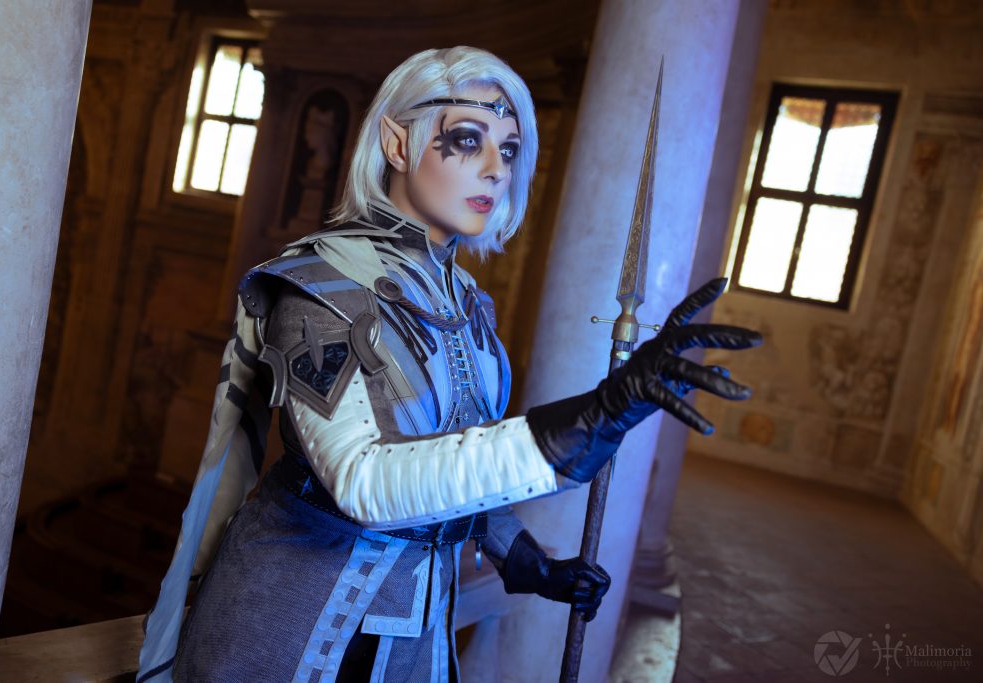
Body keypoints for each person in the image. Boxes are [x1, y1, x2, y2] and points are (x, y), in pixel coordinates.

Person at [137, 46, 761, 682]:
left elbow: (455, 455)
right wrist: (569, 430)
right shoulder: (319, 288)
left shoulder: (468, 305)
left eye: (509, 150)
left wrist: (524, 559)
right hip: (282, 625)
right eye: (468, 140)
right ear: (397, 144)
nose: (496, 170)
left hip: (413, 636)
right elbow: (362, 482)